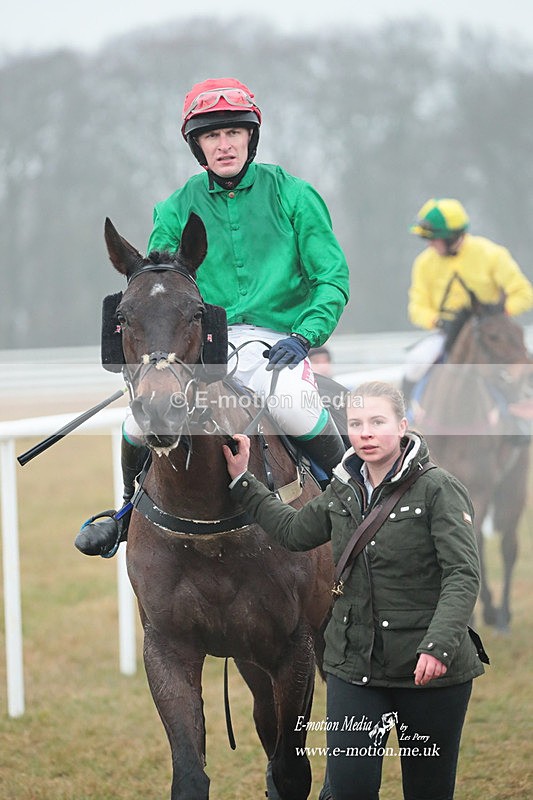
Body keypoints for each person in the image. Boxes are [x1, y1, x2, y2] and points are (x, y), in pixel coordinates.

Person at [75, 77, 350, 557]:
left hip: (278, 340)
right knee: (137, 424)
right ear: (197, 145)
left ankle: (354, 502)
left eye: (233, 133)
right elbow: (155, 284)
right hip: (200, 344)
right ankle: (125, 513)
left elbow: (332, 277)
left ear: (250, 137)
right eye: (211, 136)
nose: (224, 145)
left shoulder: (295, 195)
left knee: (291, 403)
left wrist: (306, 337)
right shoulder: (176, 206)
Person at [222, 380, 486, 800]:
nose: (365, 432)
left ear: (402, 426)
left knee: (428, 791)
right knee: (348, 790)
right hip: (354, 670)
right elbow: (292, 531)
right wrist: (244, 482)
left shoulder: (440, 489)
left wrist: (439, 646)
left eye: (377, 422)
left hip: (429, 670)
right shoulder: (341, 489)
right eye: (357, 423)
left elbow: (462, 574)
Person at [404, 197, 533, 396]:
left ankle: (522, 421)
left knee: (520, 368)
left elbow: (524, 294)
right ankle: (407, 413)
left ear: (451, 237)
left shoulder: (491, 254)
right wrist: (437, 321)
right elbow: (416, 307)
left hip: (491, 332)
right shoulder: (423, 263)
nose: (429, 244)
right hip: (449, 333)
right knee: (414, 363)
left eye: (433, 239)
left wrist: (500, 312)